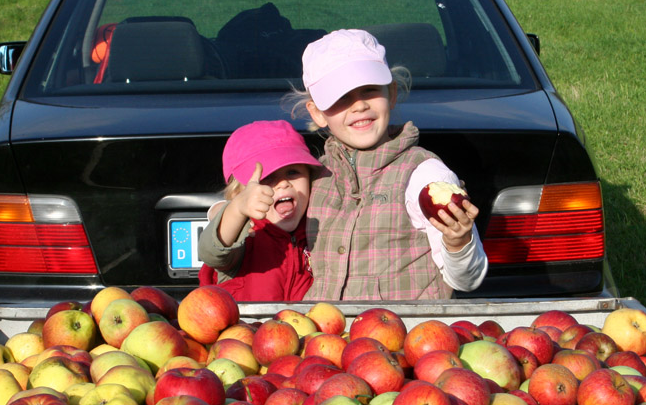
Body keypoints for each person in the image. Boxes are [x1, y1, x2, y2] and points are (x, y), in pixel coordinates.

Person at [297, 28, 488, 300]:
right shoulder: (316, 176)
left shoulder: (424, 175)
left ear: (392, 93)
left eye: (369, 90)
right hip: (330, 338)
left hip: (407, 336)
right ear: (318, 113)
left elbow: (468, 279)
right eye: (341, 97)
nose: (359, 105)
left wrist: (458, 242)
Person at [197, 120, 322, 301]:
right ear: (240, 193)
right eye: (267, 177)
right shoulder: (245, 237)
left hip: (304, 328)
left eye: (293, 172)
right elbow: (212, 252)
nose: (283, 183)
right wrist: (236, 210)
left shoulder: (317, 230)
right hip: (246, 329)